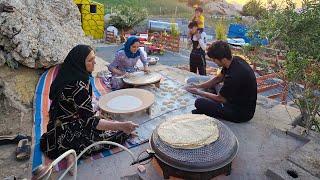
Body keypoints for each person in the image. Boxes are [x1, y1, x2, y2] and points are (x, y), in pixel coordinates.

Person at [40, 45, 138, 168]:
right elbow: (90, 122)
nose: (95, 63)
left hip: (54, 126)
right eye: (90, 60)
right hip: (69, 130)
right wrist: (121, 126)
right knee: (115, 134)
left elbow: (65, 106)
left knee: (102, 122)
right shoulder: (79, 86)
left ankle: (68, 151)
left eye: (94, 58)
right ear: (80, 62)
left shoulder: (66, 74)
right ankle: (71, 151)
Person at [186, 41, 257, 123]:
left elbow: (221, 99)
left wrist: (198, 92)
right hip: (239, 99)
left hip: (241, 113)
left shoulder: (233, 76)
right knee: (213, 86)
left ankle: (211, 110)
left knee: (199, 102)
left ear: (223, 59)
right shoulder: (234, 60)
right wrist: (198, 86)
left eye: (214, 60)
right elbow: (217, 79)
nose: (213, 61)